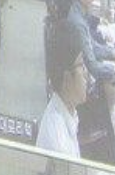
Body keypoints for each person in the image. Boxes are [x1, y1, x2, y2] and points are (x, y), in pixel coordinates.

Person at [35, 16, 89, 157]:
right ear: (67, 77)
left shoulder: (65, 110)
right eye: (81, 65)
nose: (86, 73)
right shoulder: (59, 147)